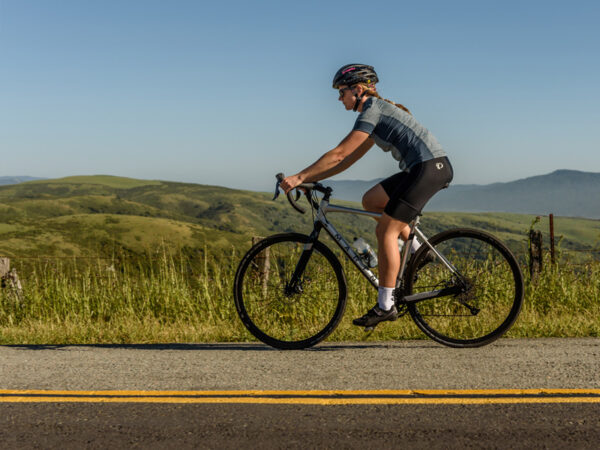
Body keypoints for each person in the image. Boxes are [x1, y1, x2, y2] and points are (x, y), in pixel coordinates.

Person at [280, 64, 453, 328]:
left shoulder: (373, 110)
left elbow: (339, 153)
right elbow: (347, 160)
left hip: (428, 169)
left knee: (386, 232)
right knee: (371, 200)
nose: (339, 99)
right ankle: (419, 252)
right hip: (424, 168)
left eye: (341, 92)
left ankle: (386, 305)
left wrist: (300, 177)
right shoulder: (376, 114)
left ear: (358, 90)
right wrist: (313, 178)